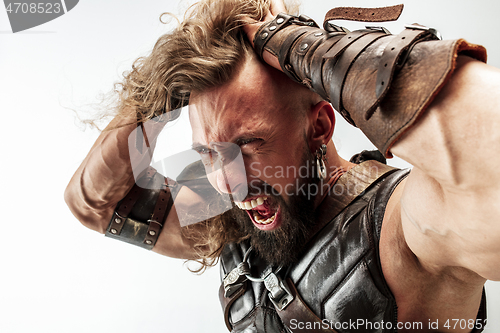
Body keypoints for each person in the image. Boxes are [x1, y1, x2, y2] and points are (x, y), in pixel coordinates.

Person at [65, 0, 500, 331]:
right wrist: (153, 95)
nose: (229, 184)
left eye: (250, 144)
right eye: (209, 153)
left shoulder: (403, 226)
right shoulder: (238, 220)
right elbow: (98, 203)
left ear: (321, 126)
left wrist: (309, 48)